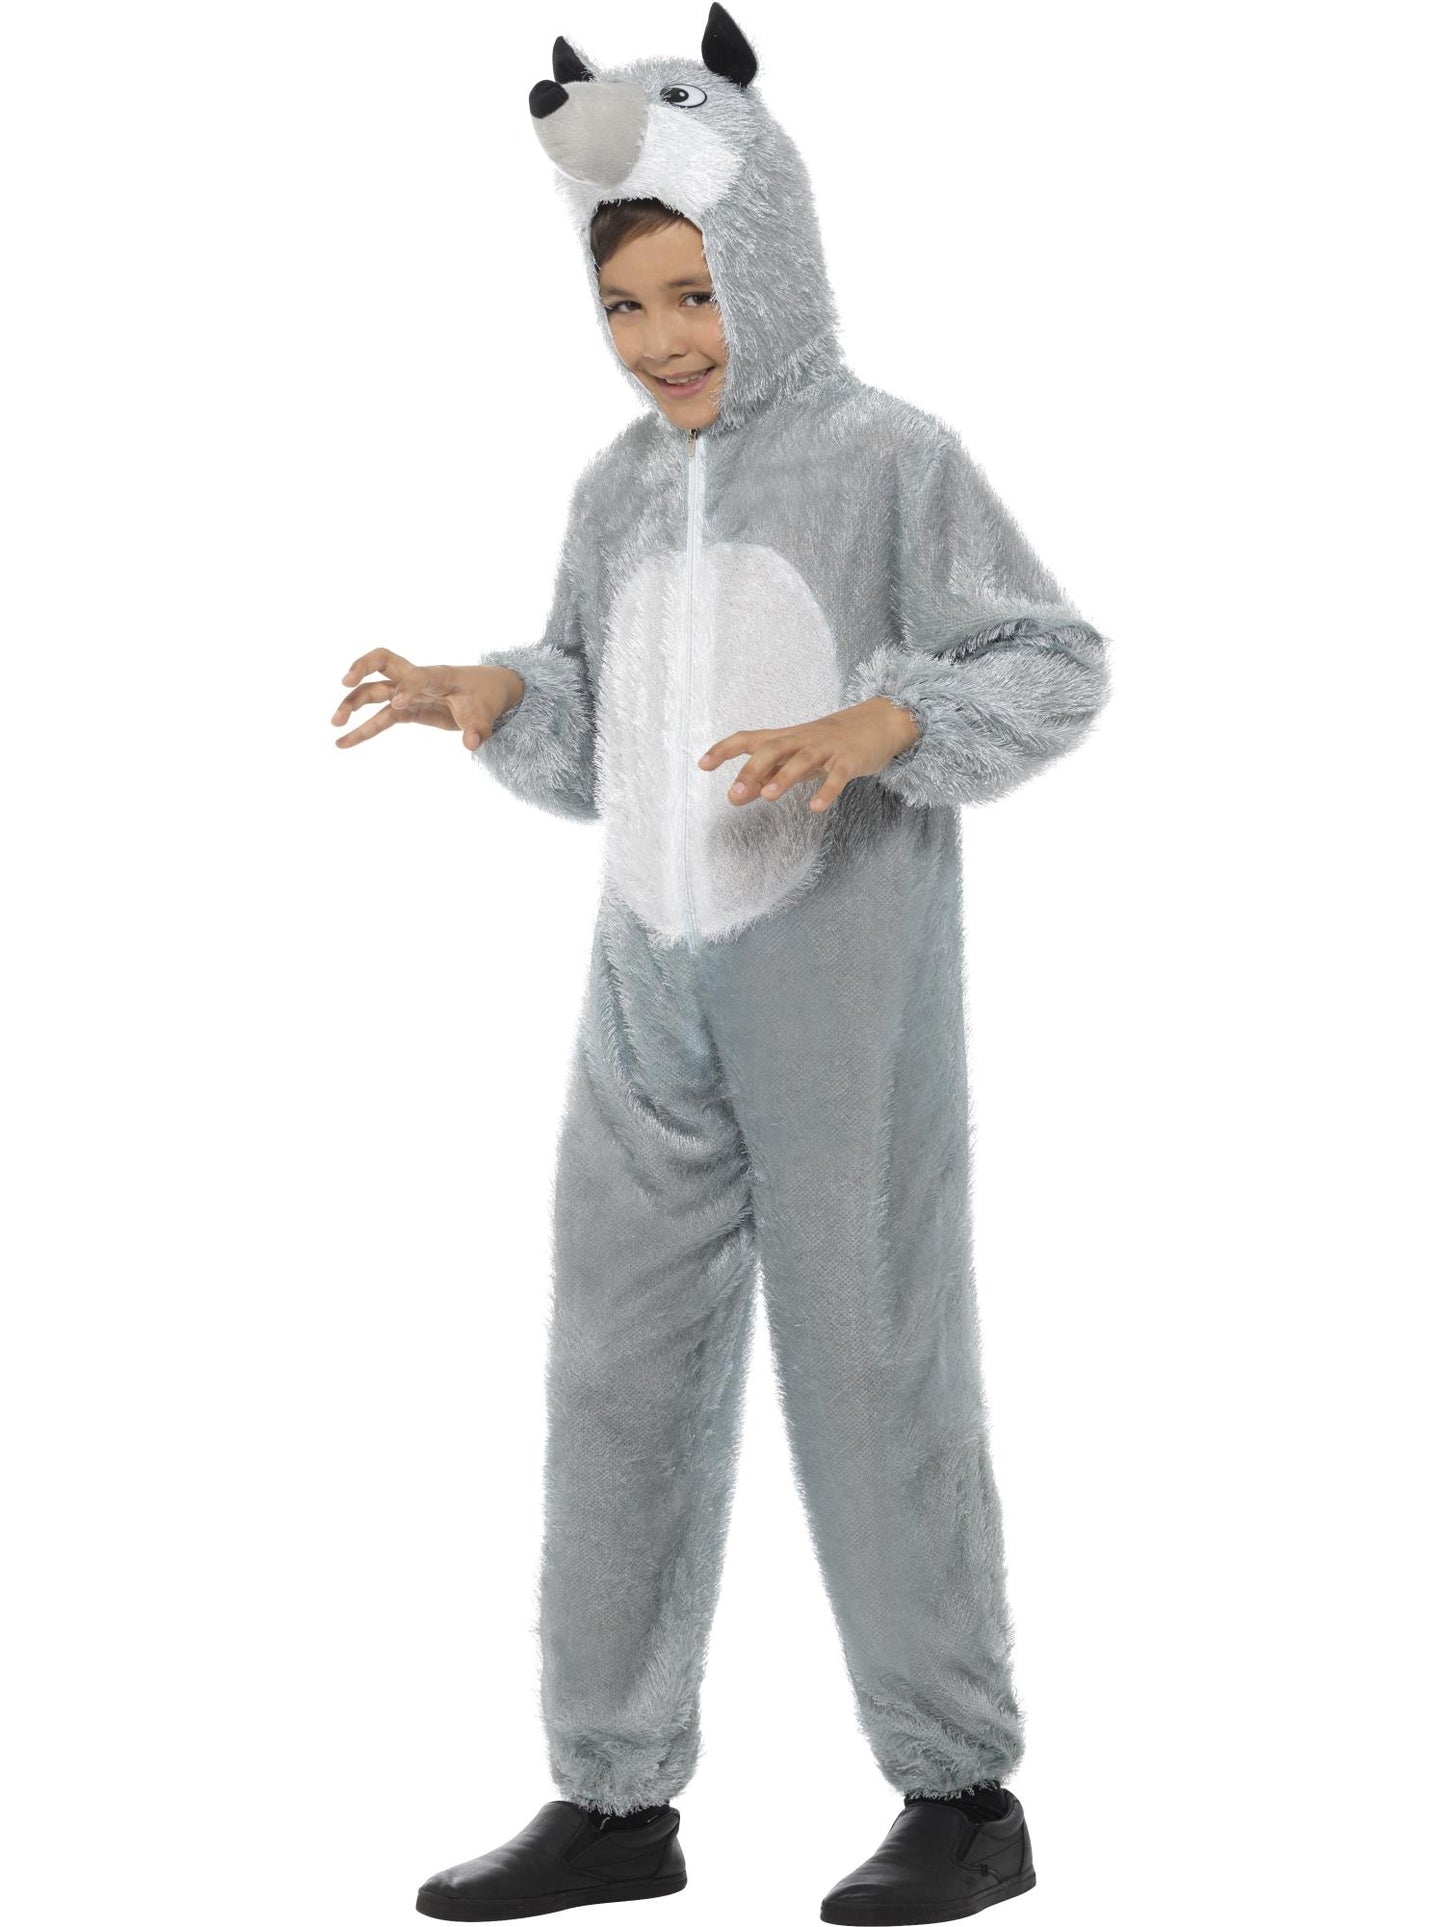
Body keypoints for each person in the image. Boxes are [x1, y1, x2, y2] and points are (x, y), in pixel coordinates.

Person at [332, 9, 1110, 1921]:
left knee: (873, 1362)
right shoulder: (611, 488)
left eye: (693, 293)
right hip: (644, 998)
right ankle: (612, 1799)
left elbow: (1044, 658)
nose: (662, 339)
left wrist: (881, 723)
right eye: (624, 307)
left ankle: (961, 1793)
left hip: (839, 985)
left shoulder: (889, 457)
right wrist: (492, 694)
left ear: (768, 260)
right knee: (611, 1376)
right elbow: (590, 720)